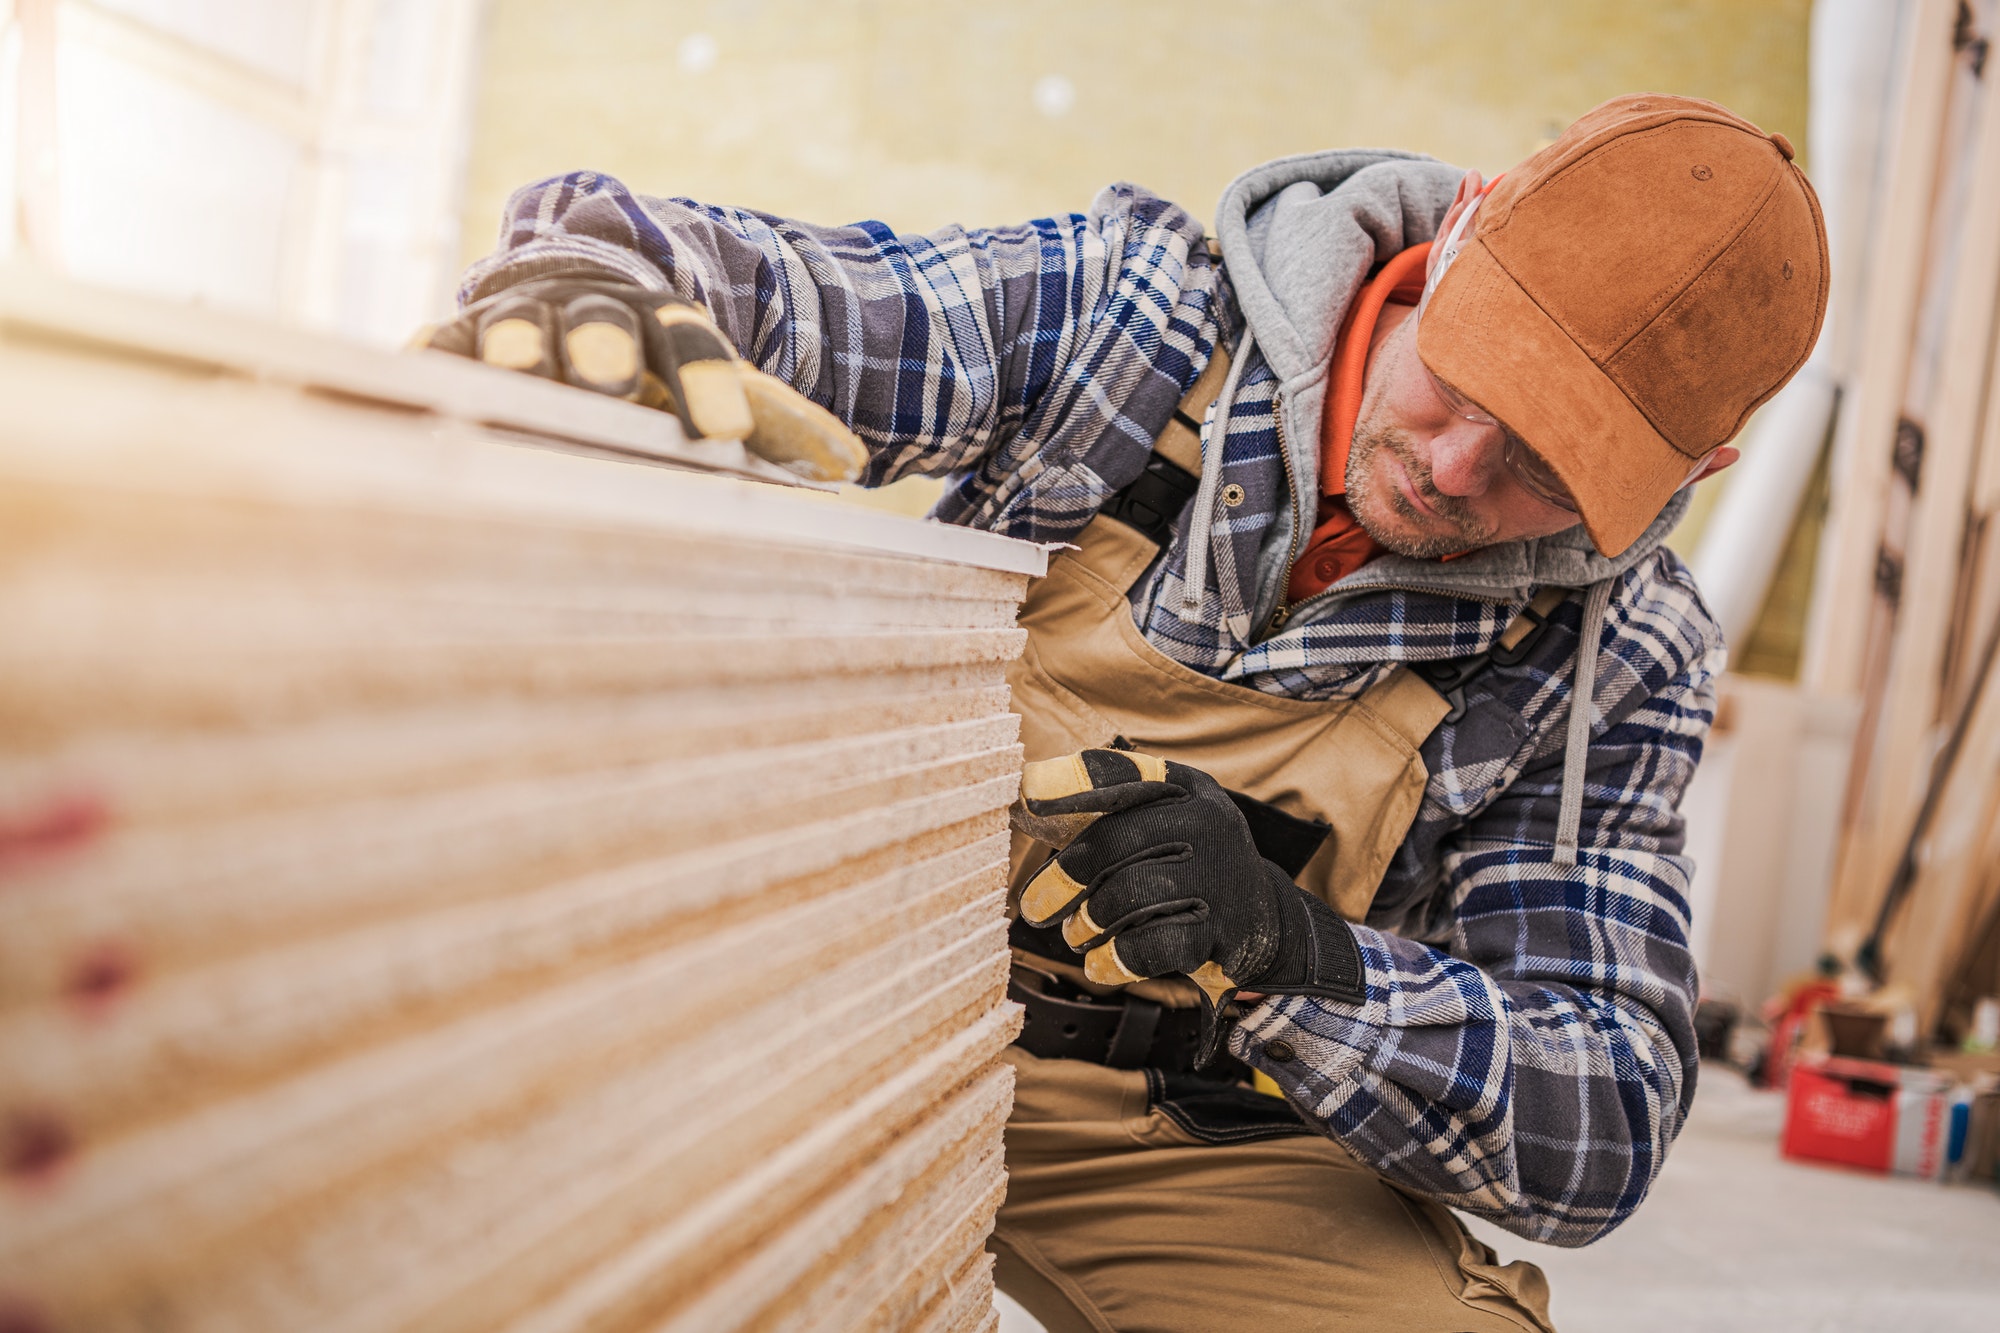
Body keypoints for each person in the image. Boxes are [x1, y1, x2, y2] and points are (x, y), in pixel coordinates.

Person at [426, 93, 1827, 1332]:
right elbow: (757, 288)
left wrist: (1300, 956)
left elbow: (1606, 1119)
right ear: (1456, 235)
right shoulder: (1134, 321)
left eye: (1544, 462)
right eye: (1469, 379)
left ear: (1699, 466)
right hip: (853, 994)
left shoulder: (1619, 648)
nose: (1456, 468)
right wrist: (583, 280)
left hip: (1179, 1113)